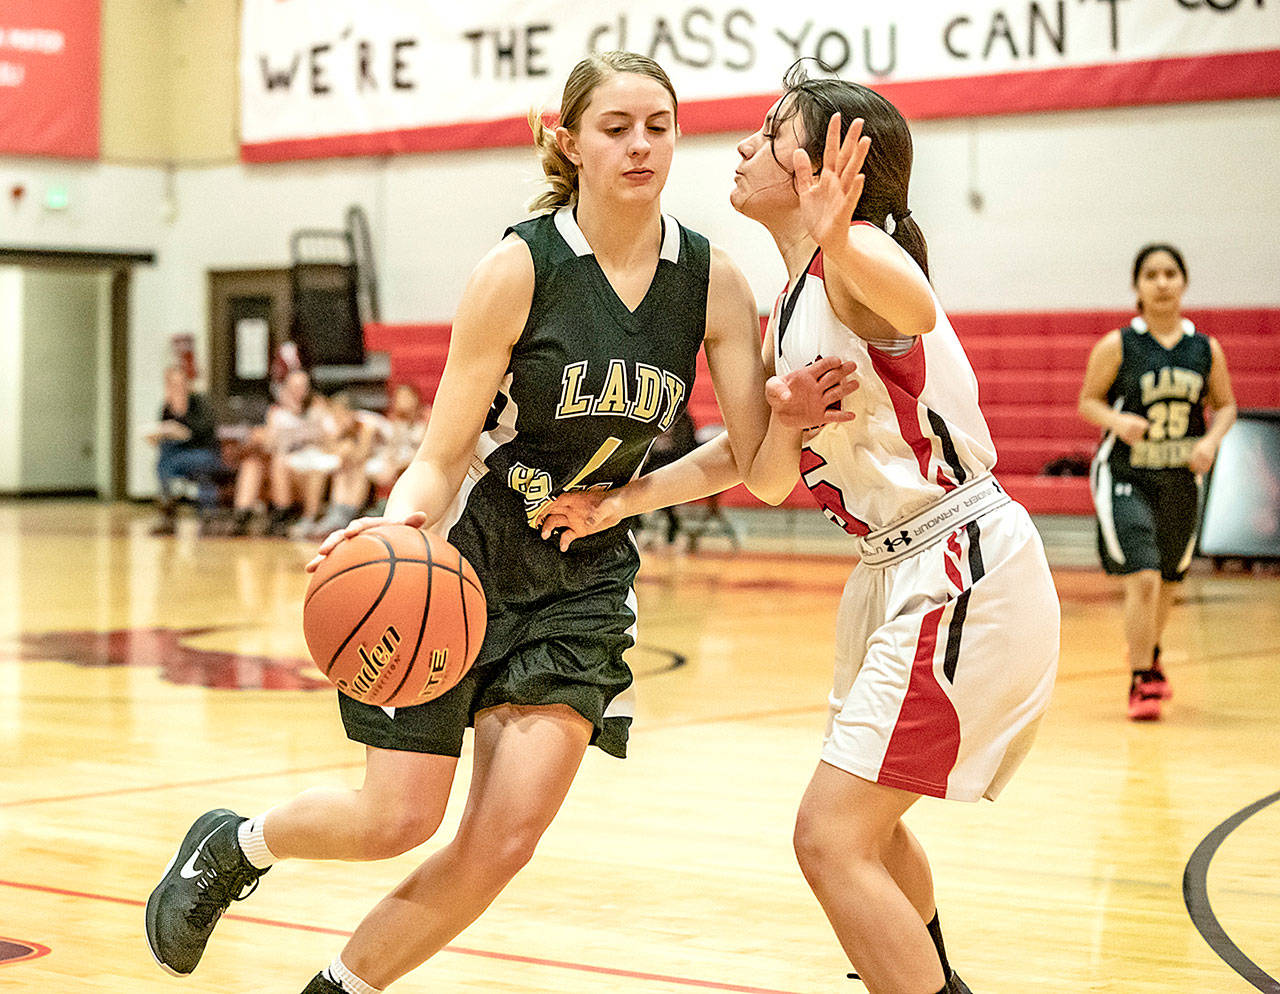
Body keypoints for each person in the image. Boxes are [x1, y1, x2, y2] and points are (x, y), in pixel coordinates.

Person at [144, 52, 850, 993]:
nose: (641, 146)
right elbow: (440, 454)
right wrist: (393, 531)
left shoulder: (712, 283)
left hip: (583, 584)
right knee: (397, 821)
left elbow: (758, 475)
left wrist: (786, 419)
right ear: (569, 140)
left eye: (659, 126)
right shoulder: (520, 268)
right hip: (465, 562)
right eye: (616, 127)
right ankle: (234, 847)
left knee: (500, 843)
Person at [538, 62, 1060, 994]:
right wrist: (628, 497)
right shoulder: (789, 303)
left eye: (771, 129)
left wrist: (841, 237)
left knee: (827, 840)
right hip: (891, 571)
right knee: (871, 834)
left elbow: (914, 305)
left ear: (825, 168)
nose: (742, 144)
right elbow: (767, 476)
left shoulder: (859, 263)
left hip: (959, 563)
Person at [1078, 244, 1237, 720]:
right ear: (1138, 286)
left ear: (1183, 283)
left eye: (1171, 273)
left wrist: (1210, 441)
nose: (1162, 282)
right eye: (1152, 274)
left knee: (1168, 581)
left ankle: (1148, 653)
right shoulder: (1118, 345)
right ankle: (1141, 680)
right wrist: (1117, 421)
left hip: (1181, 478)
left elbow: (1226, 405)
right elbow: (1087, 402)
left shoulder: (1205, 348)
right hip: (1126, 473)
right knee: (1143, 576)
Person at [227, 368, 323, 536]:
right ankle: (242, 515)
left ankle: (281, 513)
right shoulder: (277, 414)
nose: (297, 392)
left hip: (305, 469)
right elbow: (269, 445)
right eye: (293, 387)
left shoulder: (317, 411)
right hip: (281, 467)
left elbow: (326, 440)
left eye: (301, 387)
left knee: (280, 461)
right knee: (252, 464)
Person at [145, 365, 227, 535]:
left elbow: (204, 430)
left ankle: (175, 510)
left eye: (180, 384)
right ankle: (168, 510)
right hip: (178, 454)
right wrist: (157, 436)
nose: (177, 389)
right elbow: (165, 430)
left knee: (169, 463)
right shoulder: (167, 407)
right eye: (172, 384)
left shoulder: (199, 402)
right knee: (164, 457)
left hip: (203, 452)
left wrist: (182, 417)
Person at [363, 383, 430, 515]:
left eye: (406, 397)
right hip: (398, 458)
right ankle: (381, 505)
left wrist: (398, 465)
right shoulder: (395, 419)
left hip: (420, 459)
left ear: (415, 398)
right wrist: (390, 461)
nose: (402, 401)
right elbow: (392, 446)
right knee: (373, 467)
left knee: (397, 470)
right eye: (399, 397)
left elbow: (426, 450)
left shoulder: (427, 417)